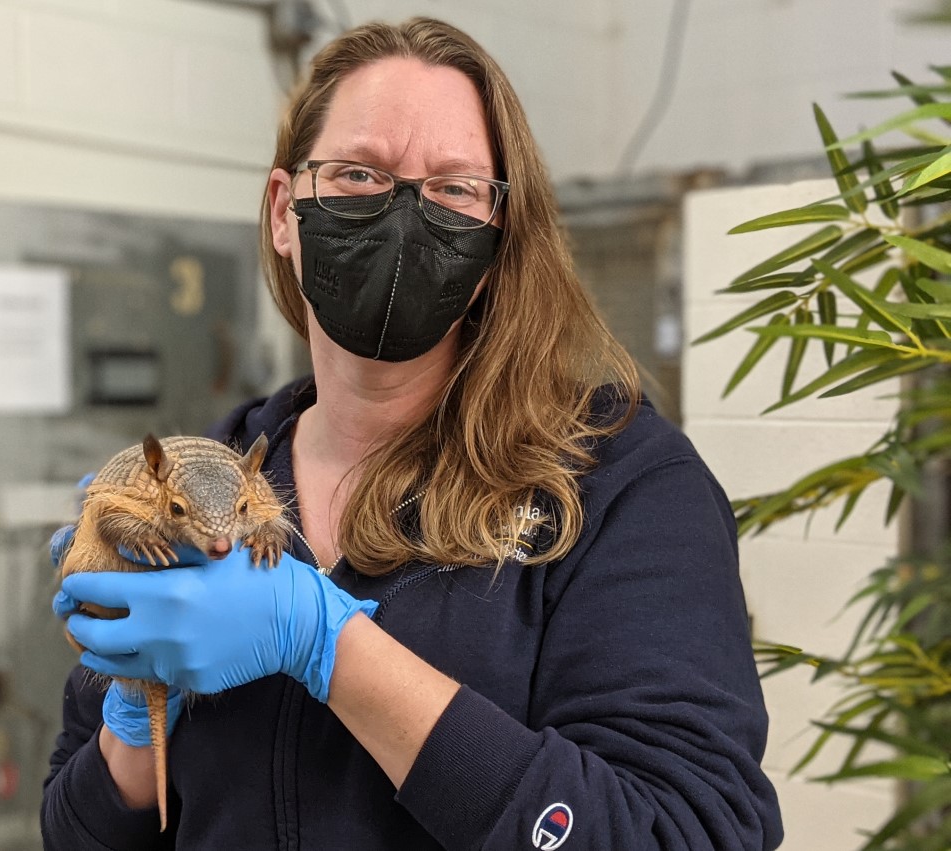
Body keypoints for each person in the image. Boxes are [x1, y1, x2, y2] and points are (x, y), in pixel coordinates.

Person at [42, 16, 783, 851]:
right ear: (286, 211)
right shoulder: (210, 479)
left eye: (455, 188)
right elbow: (73, 832)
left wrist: (330, 648)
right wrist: (134, 735)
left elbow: (683, 831)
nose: (404, 212)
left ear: (498, 240)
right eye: (358, 173)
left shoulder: (620, 486)